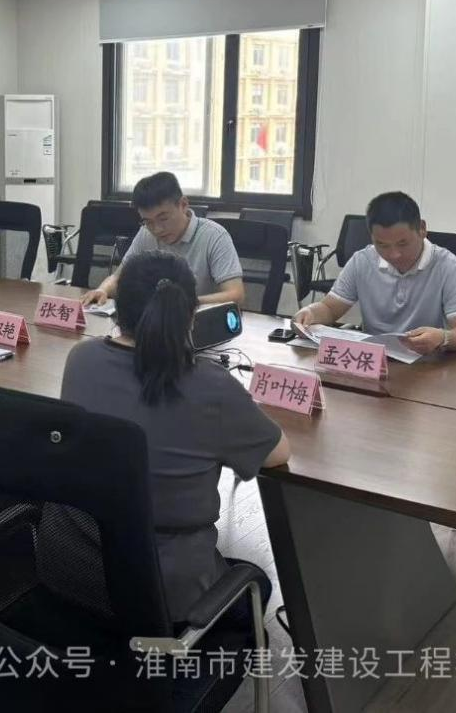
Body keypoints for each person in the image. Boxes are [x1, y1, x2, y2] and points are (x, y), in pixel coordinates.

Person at [62, 251, 290, 623]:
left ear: (118, 309)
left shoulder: (81, 359)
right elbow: (277, 454)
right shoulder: (211, 385)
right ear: (190, 314)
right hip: (164, 592)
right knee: (256, 582)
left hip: (74, 566)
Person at [293, 191, 456, 355]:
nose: (394, 254)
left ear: (422, 229)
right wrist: (309, 313)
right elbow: (329, 308)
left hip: (427, 363)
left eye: (403, 243)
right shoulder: (362, 261)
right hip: (372, 360)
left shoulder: (449, 267)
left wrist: (442, 337)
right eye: (382, 245)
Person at [81, 171, 245, 308]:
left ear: (183, 204)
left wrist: (185, 304)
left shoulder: (214, 236)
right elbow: (119, 277)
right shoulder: (146, 233)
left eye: (163, 218)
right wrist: (102, 290)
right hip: (155, 324)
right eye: (148, 221)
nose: (157, 229)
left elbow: (236, 295)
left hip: (200, 322)